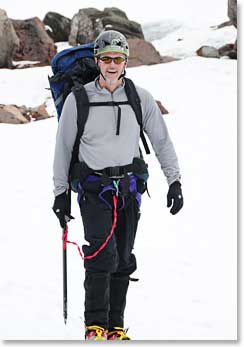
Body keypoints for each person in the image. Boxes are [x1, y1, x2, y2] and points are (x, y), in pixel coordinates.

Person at [52, 30, 183, 341]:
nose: (112, 65)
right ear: (98, 61)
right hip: (94, 189)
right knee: (102, 253)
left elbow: (162, 141)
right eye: (107, 58)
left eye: (118, 59)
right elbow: (62, 149)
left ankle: (115, 327)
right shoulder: (79, 99)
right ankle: (94, 326)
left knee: (123, 259)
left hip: (129, 189)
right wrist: (60, 195)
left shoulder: (139, 98)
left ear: (126, 62)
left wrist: (174, 180)